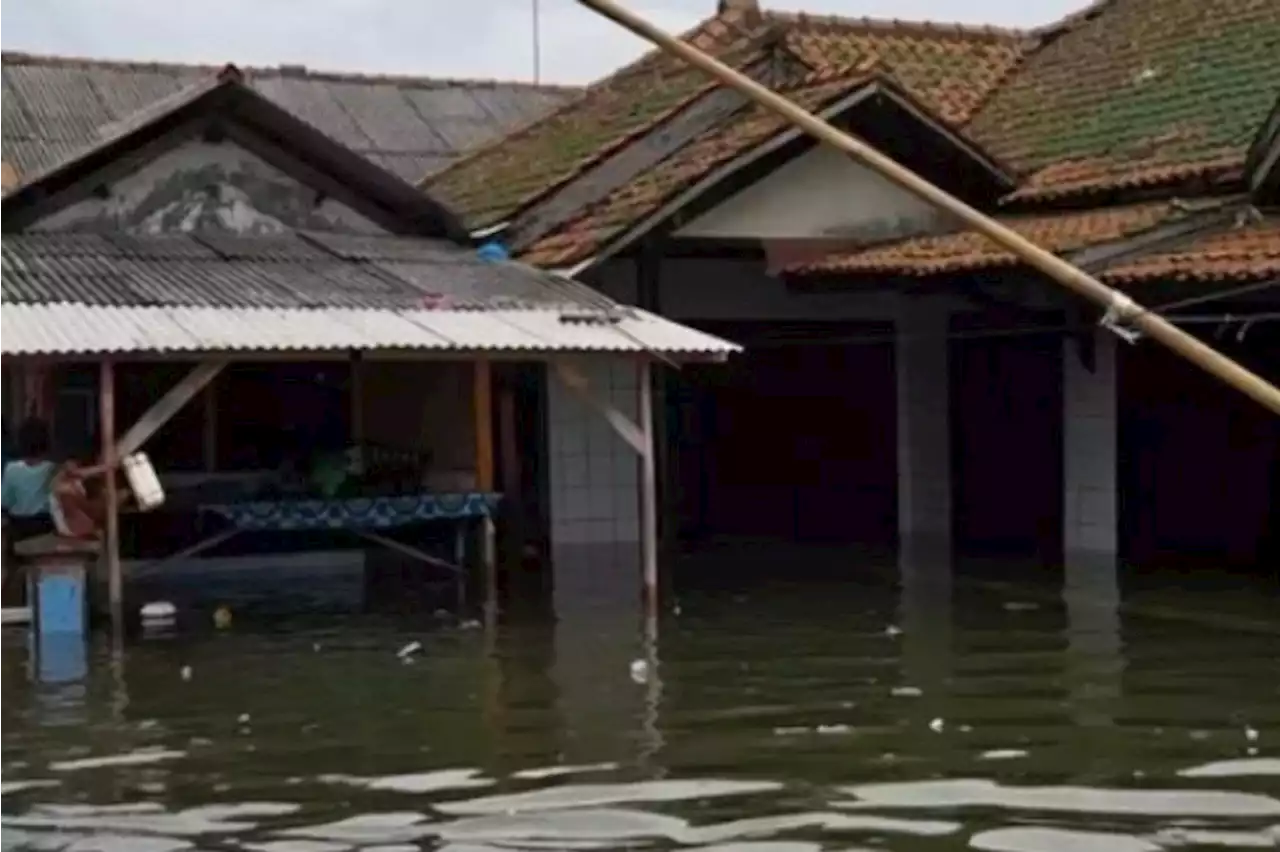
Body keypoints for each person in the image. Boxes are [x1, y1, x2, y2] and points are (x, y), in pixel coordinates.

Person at [0, 417, 57, 540]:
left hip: (18, 525)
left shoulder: (11, 468)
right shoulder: (52, 469)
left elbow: (4, 501)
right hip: (45, 524)